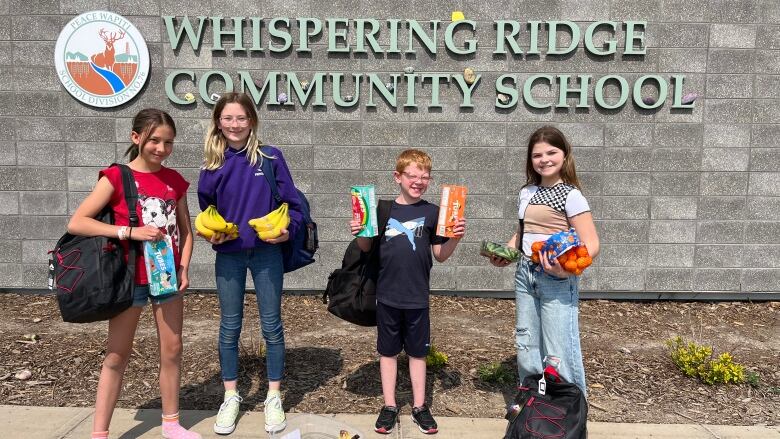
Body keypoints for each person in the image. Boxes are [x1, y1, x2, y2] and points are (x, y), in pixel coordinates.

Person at [67, 109, 197, 439]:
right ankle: (100, 432)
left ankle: (171, 423)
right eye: (154, 140)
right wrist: (129, 232)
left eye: (168, 142)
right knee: (117, 354)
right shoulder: (115, 176)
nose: (161, 148)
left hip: (166, 278)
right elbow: (78, 222)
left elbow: (186, 230)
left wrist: (183, 266)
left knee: (172, 349)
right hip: (129, 278)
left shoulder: (174, 180)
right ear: (136, 137)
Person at [197, 92, 304, 435]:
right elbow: (207, 213)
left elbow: (295, 205)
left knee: (271, 325)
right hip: (229, 254)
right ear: (218, 122)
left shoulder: (271, 158)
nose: (234, 125)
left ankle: (273, 396)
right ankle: (231, 396)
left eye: (241, 118)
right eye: (227, 118)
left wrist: (287, 232)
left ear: (252, 121)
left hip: (266, 252)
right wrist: (210, 235)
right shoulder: (211, 165)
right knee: (230, 327)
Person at [349, 149, 466, 435]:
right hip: (387, 295)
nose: (418, 181)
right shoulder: (382, 210)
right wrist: (360, 230)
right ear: (397, 177)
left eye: (424, 176)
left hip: (417, 297)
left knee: (417, 353)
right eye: (412, 175)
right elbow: (366, 248)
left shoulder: (433, 212)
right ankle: (389, 405)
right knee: (387, 352)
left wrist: (456, 238)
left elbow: (440, 254)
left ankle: (419, 406)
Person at [489, 125, 600, 395]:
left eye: (551, 152)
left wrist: (564, 271)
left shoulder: (571, 195)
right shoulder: (526, 192)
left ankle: (568, 415)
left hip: (556, 279)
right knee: (526, 345)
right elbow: (522, 233)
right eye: (537, 155)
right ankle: (533, 409)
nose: (544, 160)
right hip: (525, 273)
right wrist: (506, 252)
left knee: (560, 350)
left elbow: (592, 244)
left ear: (564, 155)